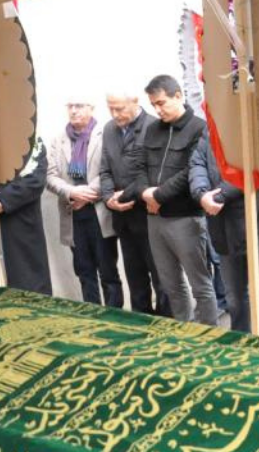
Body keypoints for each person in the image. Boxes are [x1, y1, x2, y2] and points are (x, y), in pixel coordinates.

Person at [120, 75, 217, 325]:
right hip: (155, 218)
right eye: (153, 105)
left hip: (185, 217)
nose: (157, 110)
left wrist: (158, 195)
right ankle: (184, 330)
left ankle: (210, 334)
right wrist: (145, 193)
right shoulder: (153, 129)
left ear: (178, 96)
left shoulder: (199, 128)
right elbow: (139, 166)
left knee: (200, 284)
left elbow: (191, 171)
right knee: (170, 283)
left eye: (161, 103)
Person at [190, 134, 259, 334]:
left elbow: (254, 170)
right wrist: (201, 194)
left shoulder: (250, 127)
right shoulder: (209, 132)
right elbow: (197, 164)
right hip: (222, 228)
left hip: (255, 223)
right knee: (234, 296)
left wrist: (218, 196)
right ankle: (241, 339)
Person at [46, 97, 121, 307]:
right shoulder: (58, 139)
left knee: (108, 272)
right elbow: (50, 176)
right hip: (73, 213)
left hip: (99, 212)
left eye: (79, 106)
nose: (74, 111)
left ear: (91, 108)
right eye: (70, 106)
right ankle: (92, 314)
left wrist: (87, 194)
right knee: (84, 271)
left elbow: (112, 168)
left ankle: (115, 316)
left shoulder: (106, 134)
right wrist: (72, 192)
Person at [99, 92, 164, 315]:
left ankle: (166, 324)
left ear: (135, 102)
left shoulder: (154, 127)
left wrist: (124, 195)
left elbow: (154, 174)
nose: (115, 114)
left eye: (119, 109)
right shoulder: (109, 129)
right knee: (135, 278)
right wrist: (108, 198)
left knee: (161, 277)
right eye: (110, 109)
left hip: (149, 215)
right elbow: (104, 169)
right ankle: (141, 321)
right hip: (123, 218)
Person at [0, 138, 52, 295]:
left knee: (29, 284)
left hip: (21, 222)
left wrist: (2, 201)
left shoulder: (31, 141)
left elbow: (35, 180)